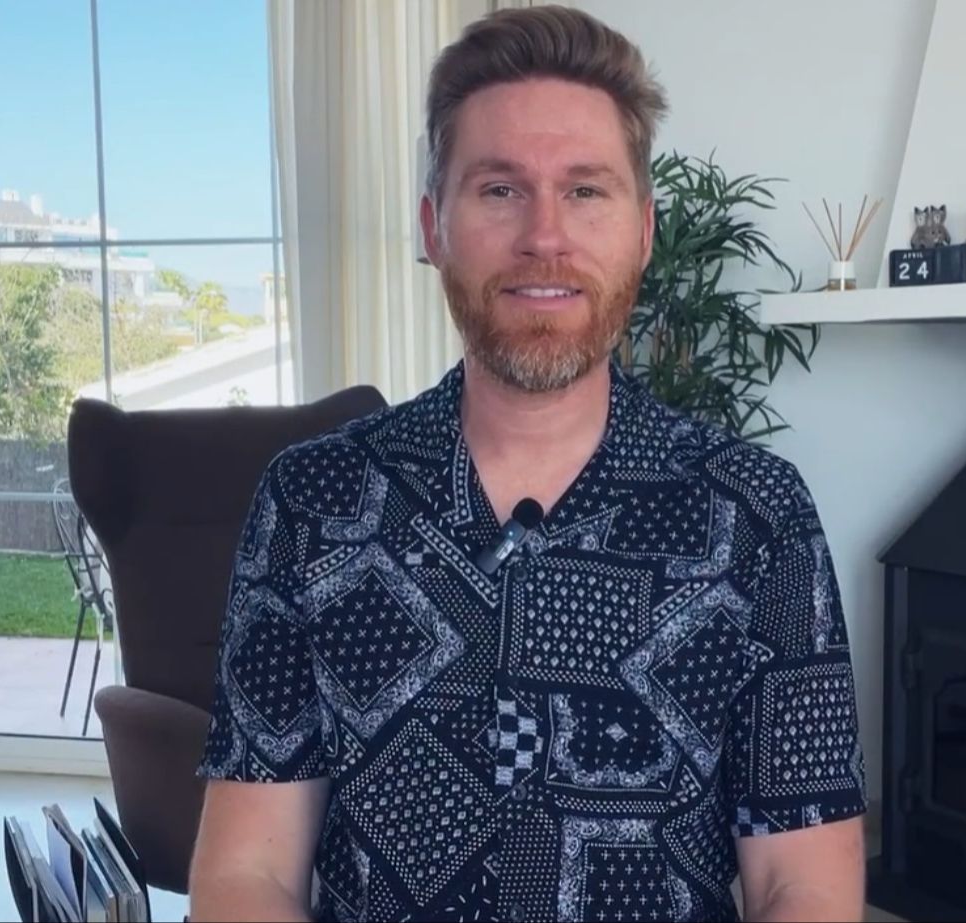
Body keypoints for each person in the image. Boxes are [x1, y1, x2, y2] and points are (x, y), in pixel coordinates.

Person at [188, 5, 866, 921]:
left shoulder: (757, 515)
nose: (545, 236)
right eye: (500, 189)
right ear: (433, 227)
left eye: (585, 190)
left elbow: (804, 884)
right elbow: (246, 873)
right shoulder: (313, 501)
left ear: (643, 231)